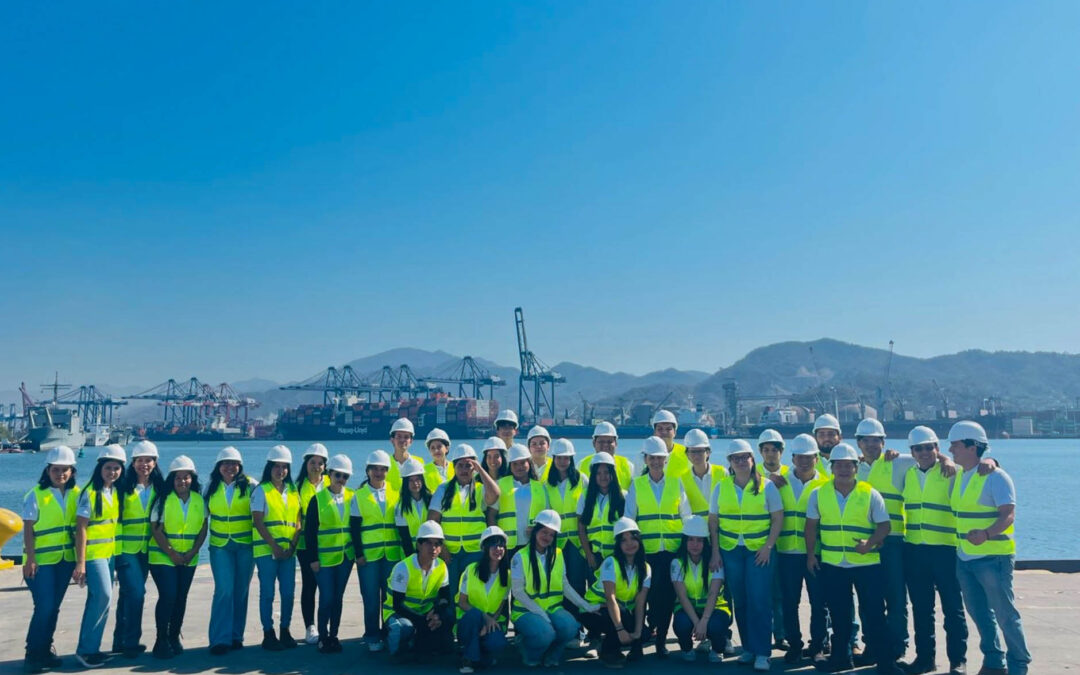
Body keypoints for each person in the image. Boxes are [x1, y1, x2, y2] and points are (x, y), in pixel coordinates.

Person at [804, 443, 902, 675]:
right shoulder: (819, 494)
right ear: (832, 468)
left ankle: (885, 663)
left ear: (856, 468)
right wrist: (810, 555)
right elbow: (810, 527)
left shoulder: (870, 493)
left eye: (849, 465)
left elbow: (885, 526)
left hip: (866, 564)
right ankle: (841, 659)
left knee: (875, 614)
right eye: (839, 465)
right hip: (834, 564)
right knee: (839, 616)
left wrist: (870, 543)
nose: (844, 470)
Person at [948, 421, 1030, 675]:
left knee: (1005, 615)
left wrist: (986, 534)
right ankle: (994, 661)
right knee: (979, 613)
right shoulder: (960, 475)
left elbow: (1008, 515)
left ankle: (1018, 665)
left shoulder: (997, 477)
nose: (951, 450)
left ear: (972, 447)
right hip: (965, 558)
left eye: (955, 445)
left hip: (993, 558)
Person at [709, 439, 783, 672]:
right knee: (740, 601)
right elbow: (714, 521)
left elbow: (777, 518)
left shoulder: (767, 486)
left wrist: (768, 547)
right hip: (730, 550)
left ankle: (763, 652)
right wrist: (715, 551)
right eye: (736, 458)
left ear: (752, 459)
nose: (741, 462)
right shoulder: (721, 487)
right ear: (730, 462)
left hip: (758, 551)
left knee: (759, 601)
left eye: (744, 457)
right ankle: (749, 648)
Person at [902, 426, 968, 675]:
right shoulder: (908, 474)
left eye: (929, 447)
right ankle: (925, 659)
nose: (924, 452)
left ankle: (958, 660)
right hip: (915, 551)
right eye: (919, 448)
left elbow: (977, 470)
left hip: (945, 550)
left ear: (937, 449)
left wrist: (991, 461)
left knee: (953, 608)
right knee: (921, 609)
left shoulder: (952, 472)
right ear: (912, 452)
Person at [625, 436, 691, 657]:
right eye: (652, 458)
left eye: (660, 458)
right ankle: (637, 644)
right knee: (642, 599)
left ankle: (660, 642)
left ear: (666, 460)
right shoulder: (637, 484)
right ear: (645, 459)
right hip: (646, 552)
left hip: (671, 551)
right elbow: (629, 519)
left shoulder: (675, 483)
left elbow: (686, 516)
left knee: (666, 599)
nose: (656, 462)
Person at [509, 510, 596, 667]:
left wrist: (586, 605)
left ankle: (552, 654)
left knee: (571, 627)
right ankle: (529, 651)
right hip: (526, 612)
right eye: (544, 532)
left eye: (551, 534)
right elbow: (518, 592)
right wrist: (541, 613)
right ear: (535, 531)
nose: (547, 537)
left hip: (552, 609)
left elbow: (565, 585)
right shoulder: (519, 557)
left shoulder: (558, 554)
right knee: (546, 634)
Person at [22, 446, 81, 673]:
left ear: (72, 471)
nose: (60, 474)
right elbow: (28, 529)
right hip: (41, 561)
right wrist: (30, 559)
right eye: (56, 469)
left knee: (53, 607)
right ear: (48, 471)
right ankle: (33, 653)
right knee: (44, 606)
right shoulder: (36, 494)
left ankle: (45, 649)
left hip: (65, 560)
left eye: (65, 469)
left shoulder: (77, 494)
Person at [774, 434, 829, 665]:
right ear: (793, 458)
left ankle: (817, 646)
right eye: (800, 457)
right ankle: (794, 645)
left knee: (819, 602)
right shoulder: (779, 482)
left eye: (809, 457)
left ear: (816, 458)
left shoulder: (826, 484)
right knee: (789, 602)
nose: (804, 461)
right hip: (787, 553)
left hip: (815, 553)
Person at [147, 455, 207, 660]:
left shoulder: (199, 500)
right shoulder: (163, 499)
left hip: (189, 557)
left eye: (186, 477)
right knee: (169, 595)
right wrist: (172, 553)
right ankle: (161, 639)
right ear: (171, 480)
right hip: (163, 556)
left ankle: (174, 636)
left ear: (192, 479)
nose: (182, 481)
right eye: (178, 478)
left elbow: (203, 528)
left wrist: (192, 552)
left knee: (181, 597)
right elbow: (156, 529)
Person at [73, 444, 126, 668]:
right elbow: (81, 528)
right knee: (102, 596)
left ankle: (92, 648)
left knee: (103, 600)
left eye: (116, 468)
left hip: (109, 554)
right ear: (99, 468)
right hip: (93, 554)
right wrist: (81, 563)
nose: (112, 472)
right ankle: (85, 650)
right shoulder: (90, 492)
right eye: (108, 468)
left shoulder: (114, 491)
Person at [112, 440, 164, 659]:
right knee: (136, 594)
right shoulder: (122, 487)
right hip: (126, 549)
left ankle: (119, 640)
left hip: (147, 550)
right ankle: (131, 642)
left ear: (155, 462)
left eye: (148, 460)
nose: (144, 464)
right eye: (140, 460)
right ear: (132, 463)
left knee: (127, 594)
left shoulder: (160, 488)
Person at [429, 443, 501, 593]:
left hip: (475, 551)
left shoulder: (481, 489)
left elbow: (495, 495)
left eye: (468, 466)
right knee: (452, 592)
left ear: (474, 467)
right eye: (460, 466)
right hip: (450, 552)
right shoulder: (443, 489)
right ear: (454, 467)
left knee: (473, 591)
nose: (464, 470)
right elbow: (432, 521)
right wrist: (442, 548)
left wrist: (480, 469)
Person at [205, 446, 256, 654]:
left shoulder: (251, 485)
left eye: (234, 463)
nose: (230, 467)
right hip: (220, 547)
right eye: (225, 463)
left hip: (245, 546)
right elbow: (201, 518)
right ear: (218, 466)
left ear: (240, 466)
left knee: (241, 591)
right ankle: (219, 639)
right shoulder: (210, 487)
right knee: (224, 589)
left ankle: (236, 635)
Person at [580, 517, 651, 668]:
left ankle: (617, 646)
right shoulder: (611, 563)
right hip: (593, 611)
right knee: (623, 617)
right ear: (618, 544)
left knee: (644, 634)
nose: (629, 543)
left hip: (617, 611)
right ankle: (608, 652)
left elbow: (640, 602)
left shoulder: (645, 568)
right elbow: (610, 598)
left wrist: (637, 631)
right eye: (623, 540)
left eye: (633, 538)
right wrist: (620, 630)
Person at [350, 449, 402, 652]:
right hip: (369, 556)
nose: (379, 473)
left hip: (392, 554)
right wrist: (358, 554)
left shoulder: (395, 494)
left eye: (383, 469)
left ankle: (389, 633)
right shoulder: (359, 495)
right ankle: (372, 635)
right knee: (371, 597)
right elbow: (354, 527)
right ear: (368, 471)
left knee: (389, 598)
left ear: (387, 471)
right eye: (375, 469)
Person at [251, 445, 301, 651]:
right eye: (276, 466)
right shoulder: (261, 490)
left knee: (288, 593)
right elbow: (258, 521)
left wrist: (292, 546)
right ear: (269, 468)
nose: (281, 471)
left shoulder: (293, 492)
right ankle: (268, 633)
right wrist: (274, 546)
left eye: (284, 467)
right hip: (266, 551)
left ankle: (285, 630)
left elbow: (298, 522)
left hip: (288, 552)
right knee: (268, 593)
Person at [306, 453, 356, 653]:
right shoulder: (317, 500)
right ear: (329, 474)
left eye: (345, 476)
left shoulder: (353, 497)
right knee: (326, 598)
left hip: (345, 558)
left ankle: (334, 635)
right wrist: (313, 559)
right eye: (338, 475)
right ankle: (323, 637)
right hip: (324, 559)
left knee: (337, 598)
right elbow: (310, 532)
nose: (341, 479)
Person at [384, 520, 454, 661]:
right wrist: (421, 622)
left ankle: (419, 641)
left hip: (424, 613)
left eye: (437, 544)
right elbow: (397, 605)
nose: (433, 548)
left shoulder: (441, 566)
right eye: (428, 543)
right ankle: (394, 641)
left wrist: (437, 614)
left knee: (448, 617)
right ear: (419, 545)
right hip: (399, 614)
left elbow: (445, 598)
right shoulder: (403, 568)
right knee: (404, 628)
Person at [671, 516, 731, 663]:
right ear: (685, 541)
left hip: (714, 609)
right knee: (682, 624)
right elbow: (682, 597)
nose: (695, 545)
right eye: (691, 540)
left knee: (715, 626)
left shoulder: (715, 561)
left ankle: (718, 649)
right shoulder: (677, 563)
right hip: (689, 610)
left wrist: (703, 622)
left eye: (699, 540)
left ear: (705, 542)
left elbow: (713, 593)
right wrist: (697, 623)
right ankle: (687, 649)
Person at [456, 526, 511, 673]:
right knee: (474, 615)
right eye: (493, 545)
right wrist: (484, 618)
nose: (498, 549)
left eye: (501, 545)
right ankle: (467, 659)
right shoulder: (471, 570)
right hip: (469, 621)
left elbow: (501, 605)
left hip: (491, 621)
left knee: (498, 643)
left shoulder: (507, 575)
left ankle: (477, 653)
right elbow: (462, 603)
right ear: (484, 548)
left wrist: (489, 622)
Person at [542, 438, 588, 593]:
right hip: (557, 541)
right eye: (559, 458)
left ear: (571, 459)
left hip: (577, 541)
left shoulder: (581, 479)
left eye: (566, 458)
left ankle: (579, 609)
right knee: (559, 580)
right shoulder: (547, 485)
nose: (562, 462)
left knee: (578, 581)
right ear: (553, 459)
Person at [757, 428, 789, 652]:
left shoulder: (791, 473)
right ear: (760, 452)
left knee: (780, 592)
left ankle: (781, 634)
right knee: (763, 592)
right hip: (762, 543)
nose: (770, 454)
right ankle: (763, 634)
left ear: (781, 451)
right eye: (766, 450)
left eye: (774, 450)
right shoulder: (753, 473)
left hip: (787, 544)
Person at [296, 442, 329, 645]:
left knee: (327, 587)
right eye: (312, 462)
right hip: (305, 546)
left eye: (320, 463)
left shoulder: (331, 484)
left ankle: (324, 624)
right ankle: (310, 626)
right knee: (309, 585)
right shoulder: (297, 487)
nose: (316, 467)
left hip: (328, 544)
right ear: (306, 464)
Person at [576, 452, 626, 572]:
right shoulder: (585, 496)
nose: (603, 476)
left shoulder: (623, 496)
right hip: (594, 555)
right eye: (598, 473)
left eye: (606, 472)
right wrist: (589, 555)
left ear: (613, 473)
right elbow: (581, 528)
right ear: (593, 475)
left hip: (617, 554)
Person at [490, 443, 542, 556]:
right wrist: (496, 539)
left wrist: (537, 529)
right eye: (515, 464)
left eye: (523, 463)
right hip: (506, 545)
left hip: (533, 543)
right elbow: (491, 515)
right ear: (510, 465)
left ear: (529, 463)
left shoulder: (540, 487)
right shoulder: (500, 484)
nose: (519, 467)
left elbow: (545, 516)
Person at [679, 429, 726, 518]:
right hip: (695, 526)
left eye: (700, 451)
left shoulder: (723, 473)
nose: (696, 455)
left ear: (708, 453)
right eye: (693, 451)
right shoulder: (682, 479)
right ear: (687, 454)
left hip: (721, 524)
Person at [579, 422, 635, 489]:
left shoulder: (628, 466)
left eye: (609, 442)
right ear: (594, 443)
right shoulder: (581, 465)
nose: (605, 445)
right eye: (601, 442)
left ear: (616, 443)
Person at [396, 457, 433, 549]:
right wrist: (413, 556)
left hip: (432, 549)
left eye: (417, 479)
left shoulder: (432, 500)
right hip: (411, 551)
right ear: (405, 483)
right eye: (411, 480)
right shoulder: (401, 506)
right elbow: (404, 537)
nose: (415, 483)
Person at [387, 418, 422, 491]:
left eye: (406, 437)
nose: (402, 440)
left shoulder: (419, 462)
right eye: (399, 436)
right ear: (392, 440)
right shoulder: (385, 463)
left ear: (411, 441)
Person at [651, 410, 688, 478]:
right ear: (654, 432)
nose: (664, 432)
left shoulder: (687, 454)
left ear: (675, 432)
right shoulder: (644, 456)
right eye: (660, 429)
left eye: (668, 429)